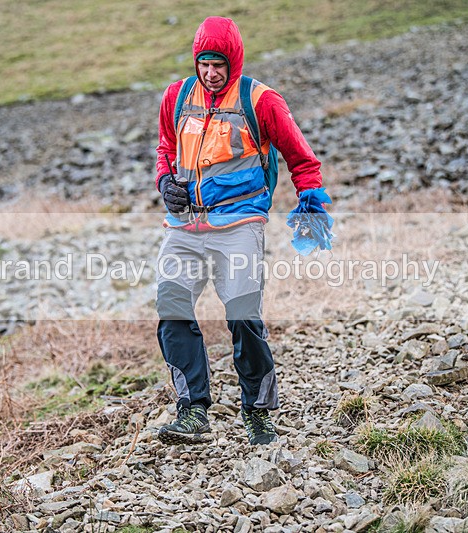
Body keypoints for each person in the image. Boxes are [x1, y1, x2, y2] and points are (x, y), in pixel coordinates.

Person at [155, 16, 326, 446]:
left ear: (234, 61)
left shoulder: (262, 101)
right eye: (204, 64)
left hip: (240, 223)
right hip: (185, 226)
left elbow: (301, 158)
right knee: (171, 309)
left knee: (243, 318)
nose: (210, 73)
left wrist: (311, 203)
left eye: (219, 65)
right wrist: (163, 183)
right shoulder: (176, 97)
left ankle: (259, 413)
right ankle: (193, 410)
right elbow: (166, 149)